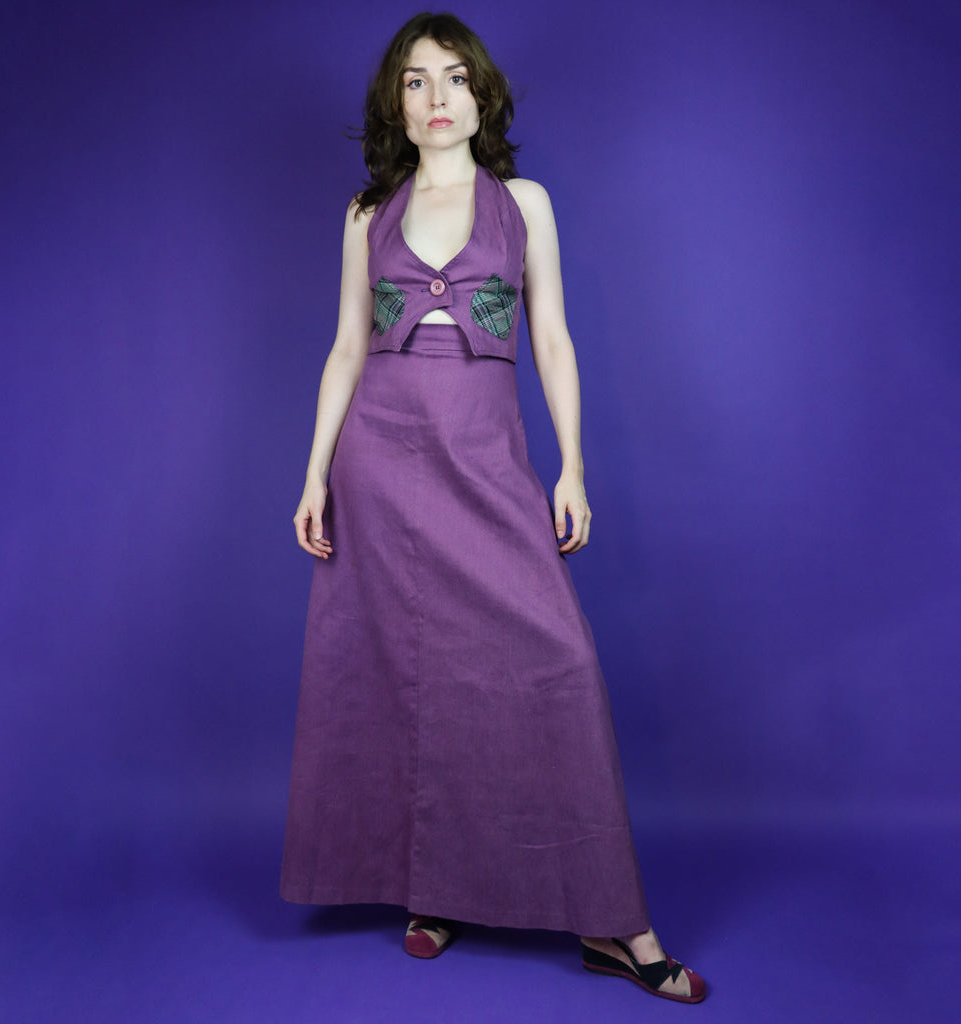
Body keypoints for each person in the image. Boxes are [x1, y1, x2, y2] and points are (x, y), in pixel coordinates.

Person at [280, 12, 706, 1004]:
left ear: (482, 96)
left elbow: (551, 338)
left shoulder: (523, 204)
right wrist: (313, 474)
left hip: (484, 462)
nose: (436, 97)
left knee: (555, 661)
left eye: (454, 78)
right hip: (379, 468)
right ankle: (436, 891)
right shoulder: (364, 213)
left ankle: (613, 924)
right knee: (408, 677)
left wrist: (572, 467)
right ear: (396, 103)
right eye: (415, 80)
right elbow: (345, 347)